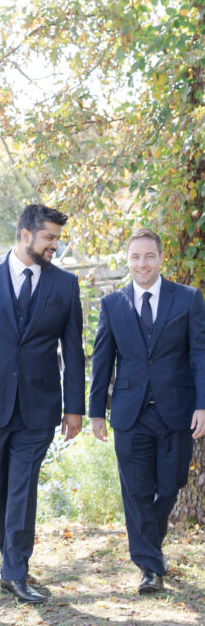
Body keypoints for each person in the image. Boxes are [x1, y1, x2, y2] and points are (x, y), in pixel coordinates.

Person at [0, 203, 85, 604]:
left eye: (57, 240)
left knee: (22, 488)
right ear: (25, 234)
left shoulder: (64, 285)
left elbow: (74, 350)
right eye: (49, 238)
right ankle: (11, 555)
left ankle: (15, 570)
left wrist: (74, 407)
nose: (54, 247)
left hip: (39, 405)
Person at [89, 227, 205, 594]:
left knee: (171, 484)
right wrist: (95, 412)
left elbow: (200, 354)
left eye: (149, 256)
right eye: (135, 257)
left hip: (178, 409)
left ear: (160, 258)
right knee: (135, 491)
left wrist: (203, 403)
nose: (142, 263)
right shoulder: (112, 305)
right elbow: (102, 361)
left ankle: (148, 543)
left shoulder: (188, 299)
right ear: (128, 261)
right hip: (129, 412)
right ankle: (150, 568)